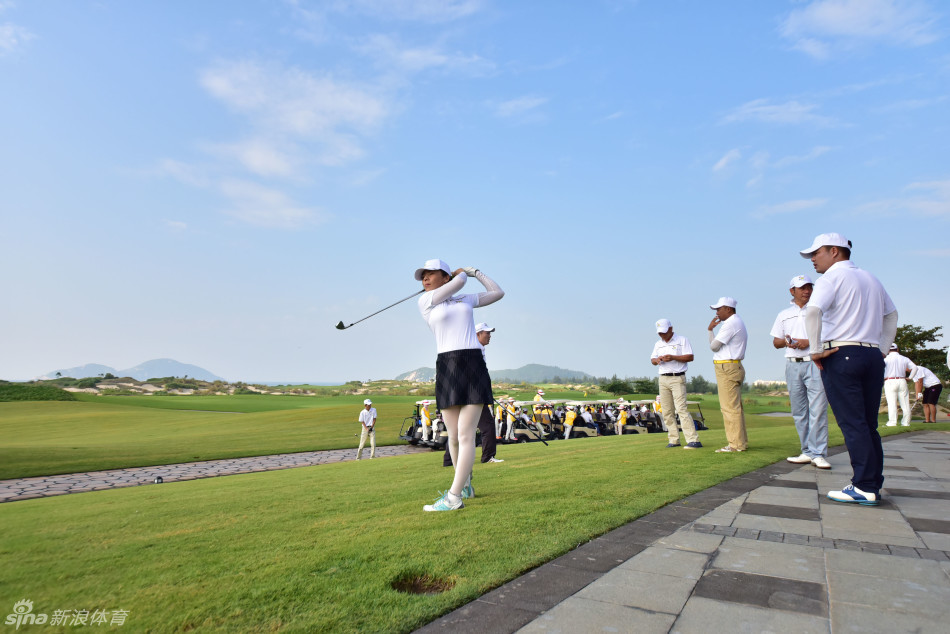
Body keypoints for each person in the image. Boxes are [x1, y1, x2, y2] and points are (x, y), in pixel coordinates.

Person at [801, 233, 897, 506]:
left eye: (816, 253)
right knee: (868, 425)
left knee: (853, 423)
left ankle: (863, 485)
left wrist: (815, 349)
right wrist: (882, 348)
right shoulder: (871, 278)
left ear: (834, 251)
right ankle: (872, 483)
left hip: (841, 353)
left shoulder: (830, 278)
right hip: (871, 355)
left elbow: (813, 310)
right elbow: (891, 314)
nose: (813, 260)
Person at [415, 259, 504, 511]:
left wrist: (476, 272)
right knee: (452, 436)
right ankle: (464, 483)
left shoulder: (464, 299)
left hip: (472, 363)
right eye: (423, 275)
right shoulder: (425, 301)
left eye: (431, 273)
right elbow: (460, 281)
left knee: (465, 435)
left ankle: (454, 497)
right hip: (447, 365)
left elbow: (497, 292)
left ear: (444, 277)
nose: (425, 278)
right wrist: (461, 274)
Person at [769, 275, 831, 469]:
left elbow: (829, 337)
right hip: (792, 364)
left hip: (815, 362)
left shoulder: (820, 311)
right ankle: (806, 451)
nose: (806, 291)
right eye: (802, 288)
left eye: (809, 287)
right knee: (799, 411)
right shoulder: (783, 314)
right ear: (792, 291)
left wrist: (809, 343)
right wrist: (787, 342)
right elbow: (776, 342)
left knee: (818, 409)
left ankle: (818, 453)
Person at [443, 322, 503, 465]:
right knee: (487, 425)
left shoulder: (473, 347)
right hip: (473, 395)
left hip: (466, 394)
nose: (489, 336)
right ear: (477, 334)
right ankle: (488, 457)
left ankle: (448, 460)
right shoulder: (475, 349)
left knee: (458, 429)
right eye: (487, 333)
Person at [651, 318, 702, 449]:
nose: (662, 335)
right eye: (659, 333)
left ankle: (693, 440)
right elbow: (652, 359)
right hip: (663, 378)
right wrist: (657, 360)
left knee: (681, 409)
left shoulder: (682, 340)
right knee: (667, 411)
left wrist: (673, 357)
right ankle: (674, 439)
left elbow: (690, 357)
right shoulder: (658, 344)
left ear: (671, 329)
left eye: (663, 332)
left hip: (677, 377)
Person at [708, 297, 748, 453]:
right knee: (734, 407)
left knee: (729, 408)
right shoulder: (736, 321)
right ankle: (740, 442)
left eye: (719, 309)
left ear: (728, 309)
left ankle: (735, 445)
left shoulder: (730, 324)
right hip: (732, 365)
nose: (717, 312)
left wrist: (710, 330)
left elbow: (714, 346)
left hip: (727, 367)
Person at [883, 344, 917, 427]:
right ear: (897, 349)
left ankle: (892, 422)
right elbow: (915, 368)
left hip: (889, 380)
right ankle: (906, 422)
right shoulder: (904, 358)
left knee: (892, 403)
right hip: (902, 380)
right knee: (905, 403)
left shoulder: (885, 359)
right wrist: (910, 377)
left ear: (888, 350)